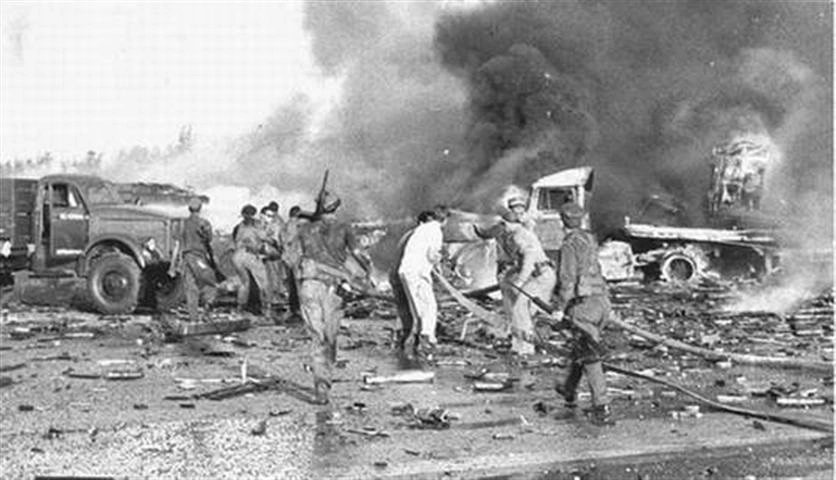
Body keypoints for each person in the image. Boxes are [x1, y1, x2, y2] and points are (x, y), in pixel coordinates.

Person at [295, 192, 371, 404]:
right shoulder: (344, 227)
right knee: (330, 336)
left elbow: (293, 258)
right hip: (332, 287)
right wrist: (366, 275)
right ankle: (324, 378)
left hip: (309, 285)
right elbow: (358, 253)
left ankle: (321, 385)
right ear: (336, 207)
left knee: (316, 336)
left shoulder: (305, 229)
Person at [553, 202, 614, 426]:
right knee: (582, 346)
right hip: (602, 303)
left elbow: (568, 281)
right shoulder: (589, 239)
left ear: (562, 220)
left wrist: (559, 309)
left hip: (584, 306)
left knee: (589, 355)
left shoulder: (569, 244)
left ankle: (602, 405)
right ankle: (568, 390)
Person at [477, 195, 555, 355]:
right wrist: (509, 276)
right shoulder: (515, 233)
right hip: (537, 275)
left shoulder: (520, 235)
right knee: (522, 310)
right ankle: (522, 344)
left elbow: (529, 260)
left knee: (522, 309)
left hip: (541, 275)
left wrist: (520, 281)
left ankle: (526, 348)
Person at [392, 209, 444, 354]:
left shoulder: (414, 233)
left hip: (401, 273)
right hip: (416, 273)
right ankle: (426, 339)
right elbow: (432, 254)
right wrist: (438, 263)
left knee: (410, 307)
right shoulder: (435, 230)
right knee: (428, 306)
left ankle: (403, 339)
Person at [179, 198, 218, 323]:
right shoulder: (203, 223)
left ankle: (193, 319)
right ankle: (206, 314)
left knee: (191, 288)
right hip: (198, 257)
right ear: (200, 209)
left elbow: (179, 241)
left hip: (186, 258)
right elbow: (209, 238)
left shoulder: (183, 223)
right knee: (210, 283)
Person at [231, 204, 271, 315]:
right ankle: (266, 310)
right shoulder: (256, 226)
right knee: (264, 283)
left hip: (237, 256)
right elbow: (265, 238)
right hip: (249, 255)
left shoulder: (238, 227)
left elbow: (235, 241)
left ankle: (240, 308)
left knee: (244, 283)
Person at [260, 201, 286, 303]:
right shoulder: (273, 221)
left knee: (273, 276)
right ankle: (271, 297)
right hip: (269, 253)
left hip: (273, 253)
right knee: (271, 276)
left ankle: (274, 298)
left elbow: (276, 240)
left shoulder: (277, 222)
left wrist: (264, 238)